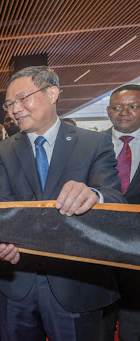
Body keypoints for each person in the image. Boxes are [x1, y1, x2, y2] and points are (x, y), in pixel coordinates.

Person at [0, 65, 124, 341]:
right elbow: (0, 208)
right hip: (17, 282)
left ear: (52, 93)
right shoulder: (2, 151)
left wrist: (93, 195)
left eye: (23, 98)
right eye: (9, 103)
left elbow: (114, 198)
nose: (15, 109)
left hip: (77, 284)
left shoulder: (94, 143)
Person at [100, 84, 140, 340]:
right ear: (108, 111)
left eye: (133, 106)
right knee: (98, 324)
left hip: (138, 253)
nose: (124, 112)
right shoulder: (90, 146)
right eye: (117, 107)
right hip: (98, 251)